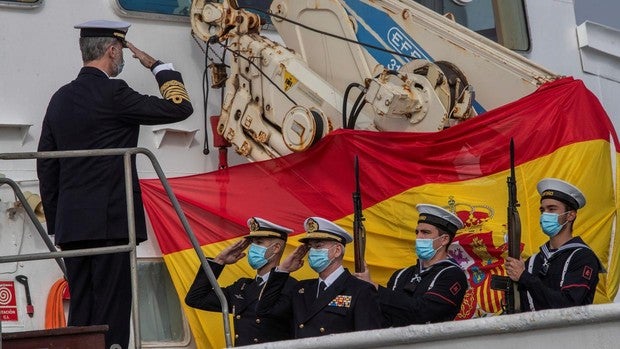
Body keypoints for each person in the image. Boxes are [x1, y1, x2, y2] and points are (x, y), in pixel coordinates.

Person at [37, 19, 193, 349]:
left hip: (72, 227)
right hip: (110, 223)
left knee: (82, 308)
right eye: (121, 50)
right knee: (112, 310)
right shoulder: (115, 92)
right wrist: (158, 66)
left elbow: (46, 166)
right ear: (113, 50)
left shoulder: (60, 98)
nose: (122, 56)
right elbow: (180, 107)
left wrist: (58, 221)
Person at [257, 216, 382, 338]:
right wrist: (283, 270)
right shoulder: (301, 289)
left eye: (318, 246)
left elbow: (369, 341)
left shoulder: (360, 290)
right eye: (310, 247)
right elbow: (265, 310)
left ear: (337, 250)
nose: (312, 252)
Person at [185, 217, 297, 346]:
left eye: (259, 242)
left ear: (276, 247)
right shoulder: (242, 287)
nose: (253, 248)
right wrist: (219, 261)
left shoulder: (291, 287)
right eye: (252, 243)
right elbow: (196, 298)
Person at [355, 203, 468, 326]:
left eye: (425, 232)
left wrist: (374, 287)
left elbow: (422, 311)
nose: (419, 237)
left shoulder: (452, 275)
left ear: (444, 239)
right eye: (417, 232)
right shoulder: (401, 275)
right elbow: (384, 315)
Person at [505, 178, 601, 311]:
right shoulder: (533, 261)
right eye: (542, 210)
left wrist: (525, 277)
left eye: (552, 209)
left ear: (570, 215)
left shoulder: (583, 257)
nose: (545, 215)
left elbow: (568, 305)